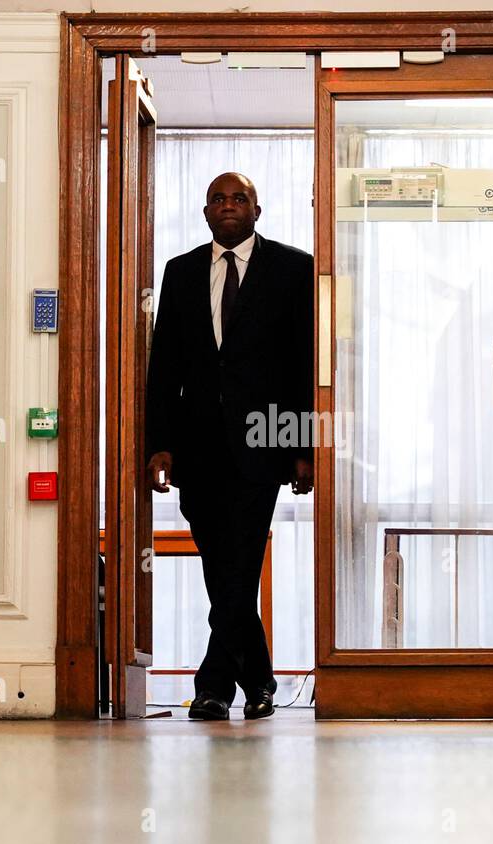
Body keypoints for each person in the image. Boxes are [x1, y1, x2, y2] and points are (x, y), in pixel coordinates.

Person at [144, 171, 314, 721]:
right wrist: (160, 444)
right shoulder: (181, 272)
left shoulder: (294, 269)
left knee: (239, 564)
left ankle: (213, 684)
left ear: (257, 211)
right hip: (198, 451)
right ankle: (260, 681)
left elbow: (304, 366)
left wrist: (302, 445)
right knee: (224, 572)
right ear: (205, 212)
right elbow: (164, 365)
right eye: (218, 199)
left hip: (263, 444)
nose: (228, 206)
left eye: (239, 198)